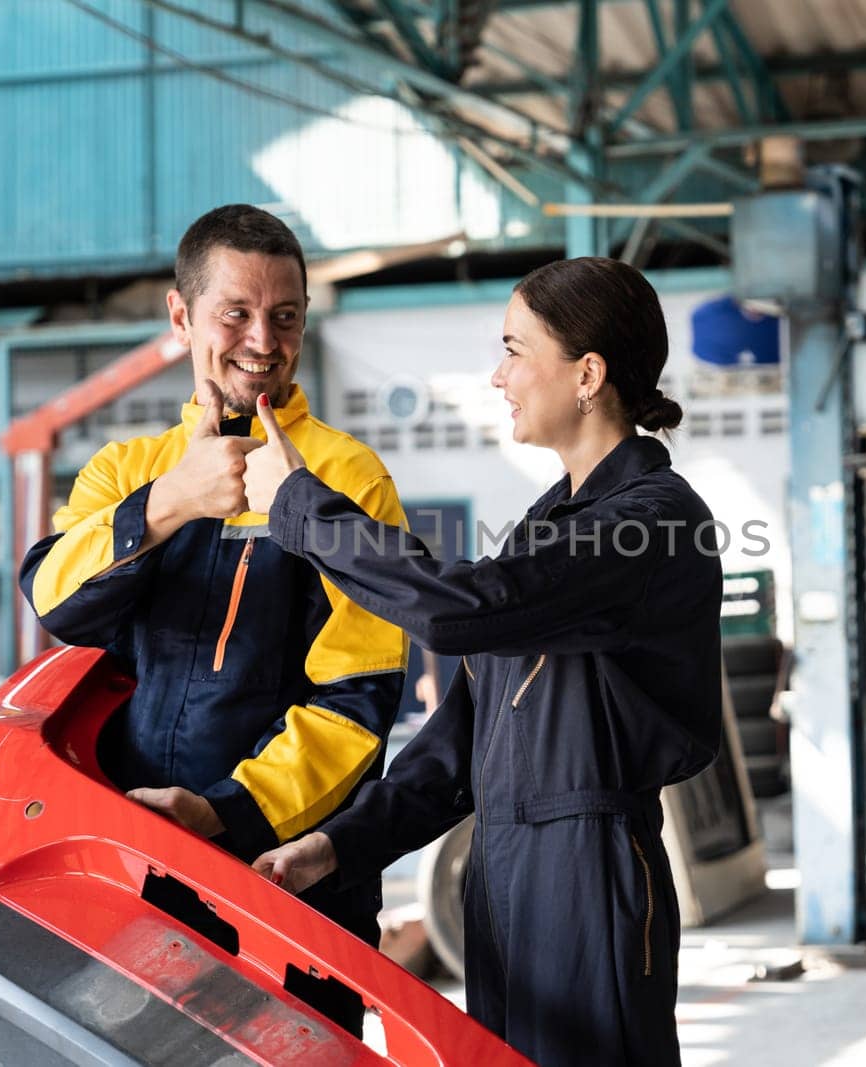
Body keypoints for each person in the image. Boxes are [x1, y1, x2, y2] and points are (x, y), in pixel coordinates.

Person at [243, 257, 724, 1067]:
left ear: (588, 373)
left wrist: (302, 506)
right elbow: (457, 750)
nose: (497, 375)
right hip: (502, 869)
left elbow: (459, 607)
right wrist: (340, 844)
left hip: (588, 868)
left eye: (513, 348)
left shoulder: (652, 522)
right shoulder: (550, 524)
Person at [17, 204, 407, 1037]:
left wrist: (222, 808)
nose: (263, 339)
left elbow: (359, 699)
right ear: (181, 315)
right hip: (135, 866)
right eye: (236, 312)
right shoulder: (126, 470)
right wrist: (168, 505)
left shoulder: (346, 476)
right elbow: (56, 601)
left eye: (286, 315)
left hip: (291, 881)